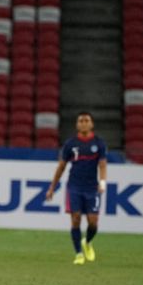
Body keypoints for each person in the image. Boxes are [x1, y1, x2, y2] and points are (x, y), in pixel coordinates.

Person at [46, 111, 108, 265]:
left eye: (86, 120)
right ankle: (78, 254)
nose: (84, 123)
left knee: (93, 222)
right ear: (77, 124)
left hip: (91, 187)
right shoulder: (70, 144)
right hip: (74, 186)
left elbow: (102, 164)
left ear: (92, 124)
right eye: (81, 120)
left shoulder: (99, 143)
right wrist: (52, 187)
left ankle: (87, 242)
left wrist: (103, 182)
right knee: (75, 219)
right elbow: (61, 166)